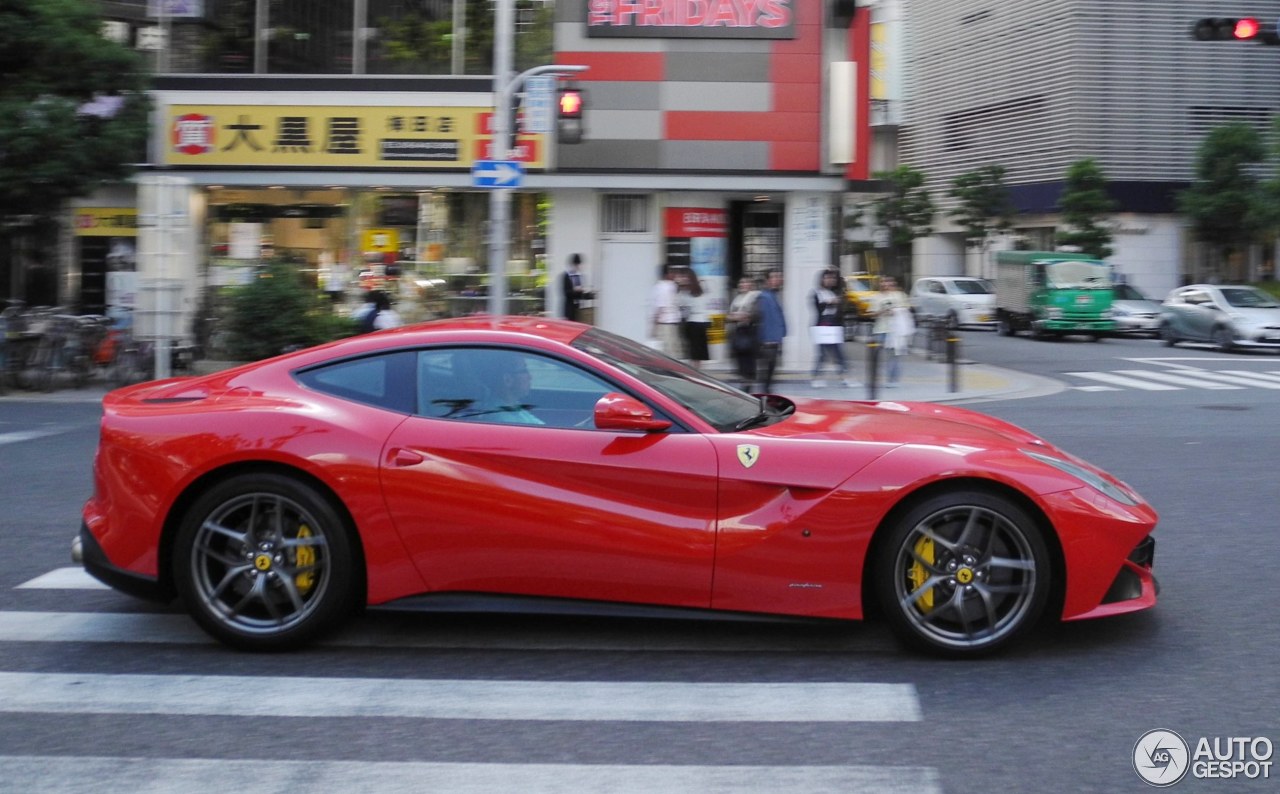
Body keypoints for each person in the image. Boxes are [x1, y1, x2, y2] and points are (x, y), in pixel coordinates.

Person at [471, 351, 543, 425]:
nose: (530, 377)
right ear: (508, 380)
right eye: (524, 371)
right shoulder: (503, 420)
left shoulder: (512, 406)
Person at [809, 269, 853, 388]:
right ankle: (817, 377)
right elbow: (818, 308)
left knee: (838, 352)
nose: (830, 280)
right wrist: (830, 303)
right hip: (822, 325)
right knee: (822, 353)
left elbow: (840, 310)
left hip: (834, 325)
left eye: (832, 278)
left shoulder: (834, 292)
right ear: (822, 279)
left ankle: (844, 377)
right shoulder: (816, 292)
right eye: (827, 278)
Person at [872, 276, 911, 386]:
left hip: (895, 330)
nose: (886, 284)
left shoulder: (900, 295)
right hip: (881, 329)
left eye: (888, 282)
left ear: (893, 283)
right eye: (883, 282)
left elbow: (907, 308)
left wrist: (896, 311)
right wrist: (882, 311)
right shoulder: (876, 297)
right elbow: (872, 313)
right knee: (876, 354)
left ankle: (893, 380)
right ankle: (876, 377)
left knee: (894, 355)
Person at [726, 275, 761, 390]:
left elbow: (753, 315)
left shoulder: (755, 297)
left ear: (751, 285)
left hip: (749, 332)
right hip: (738, 331)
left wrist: (741, 316)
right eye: (741, 282)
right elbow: (729, 316)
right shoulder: (737, 298)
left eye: (746, 282)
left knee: (748, 360)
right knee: (740, 360)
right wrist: (738, 316)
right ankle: (744, 383)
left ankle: (748, 386)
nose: (742, 285)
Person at [755, 268, 787, 393]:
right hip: (768, 341)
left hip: (774, 339)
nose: (777, 279)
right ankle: (764, 395)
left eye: (778, 276)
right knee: (767, 370)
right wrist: (765, 339)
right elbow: (763, 319)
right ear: (767, 280)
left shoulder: (773, 295)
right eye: (774, 277)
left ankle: (766, 392)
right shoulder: (764, 297)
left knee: (770, 370)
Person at [676, 267, 710, 370]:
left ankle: (696, 371)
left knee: (696, 352)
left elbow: (684, 308)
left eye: (685, 276)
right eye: (682, 276)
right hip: (692, 322)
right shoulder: (683, 291)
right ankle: (694, 370)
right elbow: (681, 306)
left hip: (698, 322)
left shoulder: (698, 288)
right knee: (693, 351)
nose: (683, 278)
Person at [647, 263, 683, 357]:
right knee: (670, 351)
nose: (674, 275)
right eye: (672, 272)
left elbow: (660, 307)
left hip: (666, 323)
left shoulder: (663, 287)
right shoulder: (668, 287)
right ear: (667, 274)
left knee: (666, 351)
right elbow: (661, 306)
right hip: (668, 323)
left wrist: (653, 327)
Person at [560, 253, 594, 322]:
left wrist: (588, 294)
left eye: (578, 265)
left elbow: (581, 294)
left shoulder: (579, 276)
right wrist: (575, 290)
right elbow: (566, 293)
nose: (577, 267)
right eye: (576, 265)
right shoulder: (566, 276)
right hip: (569, 308)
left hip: (578, 307)